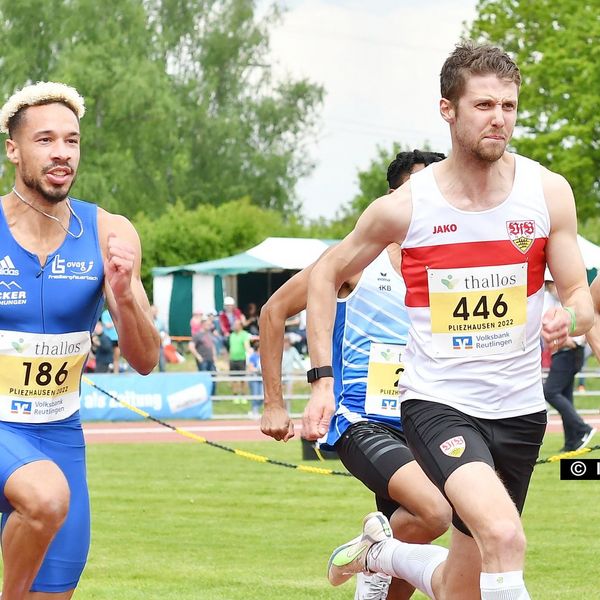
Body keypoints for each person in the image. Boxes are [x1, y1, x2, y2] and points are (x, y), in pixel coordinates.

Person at [304, 43, 594, 600]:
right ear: (448, 109)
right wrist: (321, 381)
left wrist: (570, 318)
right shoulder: (409, 205)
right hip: (439, 404)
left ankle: (381, 552)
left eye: (508, 106)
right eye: (483, 105)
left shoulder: (547, 192)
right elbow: (324, 275)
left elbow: (579, 294)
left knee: (459, 586)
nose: (499, 119)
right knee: (505, 536)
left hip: (519, 410)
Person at [260, 150, 450, 600]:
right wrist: (274, 403)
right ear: (393, 197)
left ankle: (373, 553)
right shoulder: (359, 260)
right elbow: (273, 311)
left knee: (404, 555)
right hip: (361, 422)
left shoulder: (446, 267)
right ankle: (372, 553)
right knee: (436, 512)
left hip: (425, 423)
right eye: (418, 190)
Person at [0, 81, 159, 599]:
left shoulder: (110, 232)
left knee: (54, 577)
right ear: (13, 150)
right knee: (46, 497)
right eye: (45, 140)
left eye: (71, 140)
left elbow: (146, 360)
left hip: (58, 435)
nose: (62, 152)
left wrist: (124, 295)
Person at [542, 280, 595, 452]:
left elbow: (585, 322)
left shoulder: (569, 298)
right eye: (550, 285)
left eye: (553, 284)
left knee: (550, 392)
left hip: (569, 352)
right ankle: (572, 441)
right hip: (563, 352)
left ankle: (582, 428)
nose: (552, 288)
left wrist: (570, 341)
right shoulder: (550, 300)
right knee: (565, 395)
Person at [188, 316, 218, 395]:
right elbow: (191, 346)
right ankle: (204, 395)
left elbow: (212, 346)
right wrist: (198, 356)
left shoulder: (210, 334)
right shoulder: (197, 335)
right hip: (203, 360)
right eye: (208, 324)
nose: (209, 326)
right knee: (203, 378)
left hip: (211, 360)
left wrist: (214, 356)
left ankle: (212, 396)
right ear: (203, 324)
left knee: (213, 377)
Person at [281, 334, 305, 414]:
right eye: (284, 342)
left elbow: (299, 361)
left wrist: (304, 371)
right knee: (280, 396)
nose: (286, 344)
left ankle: (288, 412)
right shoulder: (279, 350)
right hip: (280, 376)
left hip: (289, 375)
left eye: (287, 342)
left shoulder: (293, 350)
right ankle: (282, 411)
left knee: (288, 395)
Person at [228, 319, 252, 397]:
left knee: (242, 378)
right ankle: (235, 395)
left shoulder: (244, 334)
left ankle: (243, 394)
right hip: (232, 359)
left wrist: (250, 356)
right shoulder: (232, 335)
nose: (235, 326)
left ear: (240, 326)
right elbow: (231, 347)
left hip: (241, 359)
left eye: (236, 325)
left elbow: (246, 346)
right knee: (233, 378)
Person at [101, 306, 120, 373]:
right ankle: (105, 371)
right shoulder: (105, 313)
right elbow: (107, 326)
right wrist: (116, 321)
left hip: (116, 338)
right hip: (108, 338)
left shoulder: (118, 313)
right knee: (107, 357)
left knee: (116, 358)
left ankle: (116, 372)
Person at [247, 340, 263, 419]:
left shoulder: (263, 356)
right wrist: (257, 370)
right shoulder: (253, 356)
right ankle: (254, 411)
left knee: (262, 396)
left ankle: (256, 410)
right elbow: (250, 367)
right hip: (254, 379)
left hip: (262, 379)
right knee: (255, 395)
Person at [151, 304, 168, 372]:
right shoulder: (146, 321)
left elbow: (166, 332)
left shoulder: (161, 321)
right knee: (149, 364)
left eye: (155, 311)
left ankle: (162, 374)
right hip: (149, 345)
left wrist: (163, 339)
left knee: (162, 363)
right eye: (152, 311)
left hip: (159, 344)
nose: (154, 312)